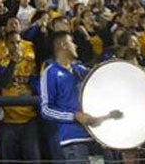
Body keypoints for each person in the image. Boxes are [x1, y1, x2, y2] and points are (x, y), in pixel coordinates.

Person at [39, 31, 104, 163]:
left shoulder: (79, 69)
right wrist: (74, 116)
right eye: (72, 42)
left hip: (95, 136)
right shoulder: (51, 72)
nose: (76, 46)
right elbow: (46, 109)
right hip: (73, 139)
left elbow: (100, 78)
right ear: (63, 45)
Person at [0, 30, 40, 162]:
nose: (15, 46)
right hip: (8, 120)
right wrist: (12, 63)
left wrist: (31, 88)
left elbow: (38, 84)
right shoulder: (1, 62)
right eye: (12, 43)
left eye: (18, 42)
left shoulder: (30, 62)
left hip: (29, 119)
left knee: (33, 159)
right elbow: (3, 82)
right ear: (6, 45)